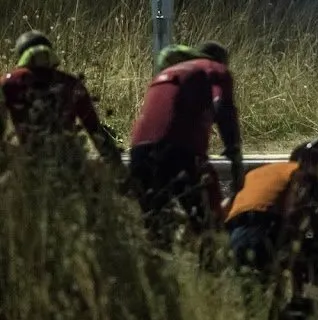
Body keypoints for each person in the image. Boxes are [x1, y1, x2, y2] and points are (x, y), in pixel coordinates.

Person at [128, 42, 243, 244]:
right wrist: (234, 153)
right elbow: (224, 107)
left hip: (138, 152)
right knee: (208, 224)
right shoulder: (215, 69)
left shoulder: (168, 73)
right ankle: (211, 272)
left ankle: (155, 271)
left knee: (155, 227)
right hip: (181, 152)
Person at [225, 143, 318, 313]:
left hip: (233, 236)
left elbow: (227, 205)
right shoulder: (304, 176)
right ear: (310, 164)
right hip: (264, 231)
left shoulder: (259, 173)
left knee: (253, 302)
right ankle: (300, 305)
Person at [0, 30, 121, 165]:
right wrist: (116, 166)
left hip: (31, 162)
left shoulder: (8, 83)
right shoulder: (70, 83)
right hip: (68, 162)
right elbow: (94, 129)